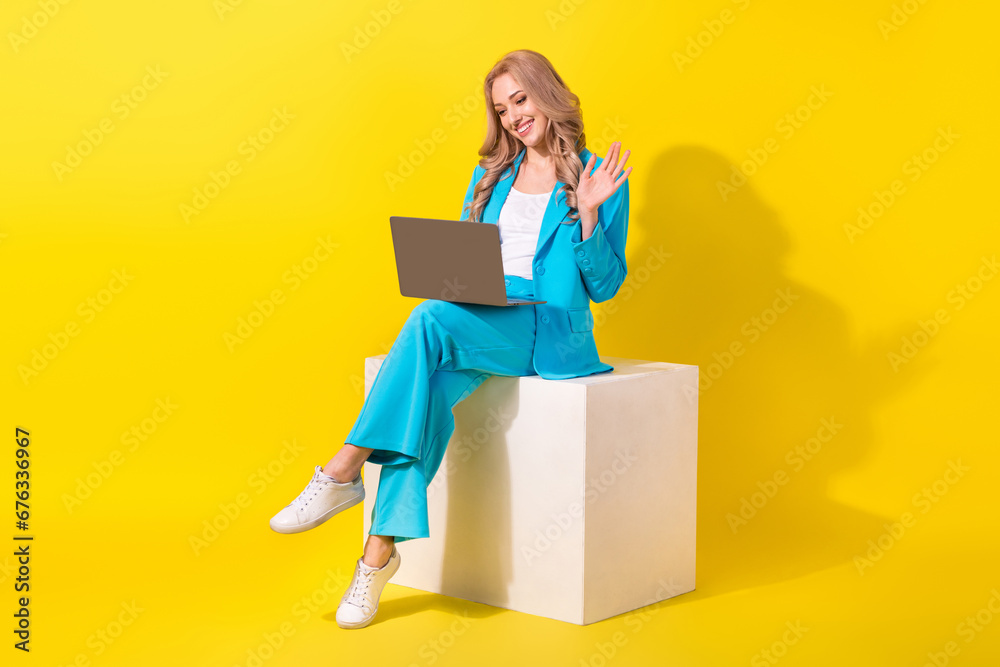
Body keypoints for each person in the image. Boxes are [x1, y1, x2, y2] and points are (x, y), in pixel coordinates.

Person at [268, 48, 632, 629]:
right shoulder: (491, 177)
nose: (514, 116)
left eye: (520, 99)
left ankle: (341, 470)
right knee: (427, 394)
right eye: (501, 108)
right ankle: (377, 556)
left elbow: (605, 284)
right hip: (486, 315)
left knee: (429, 318)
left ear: (547, 94)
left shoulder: (594, 175)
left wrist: (589, 214)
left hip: (546, 332)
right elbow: (473, 258)